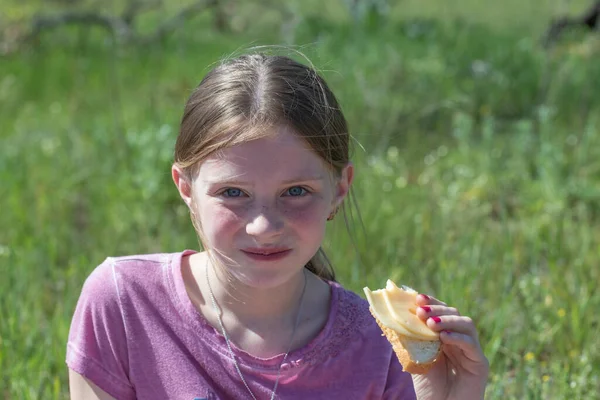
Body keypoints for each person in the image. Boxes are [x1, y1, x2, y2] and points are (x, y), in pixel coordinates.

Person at [66, 52, 489, 400]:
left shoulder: (382, 350)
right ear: (186, 187)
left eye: (296, 191)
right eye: (233, 193)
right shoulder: (124, 305)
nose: (264, 226)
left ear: (339, 189)